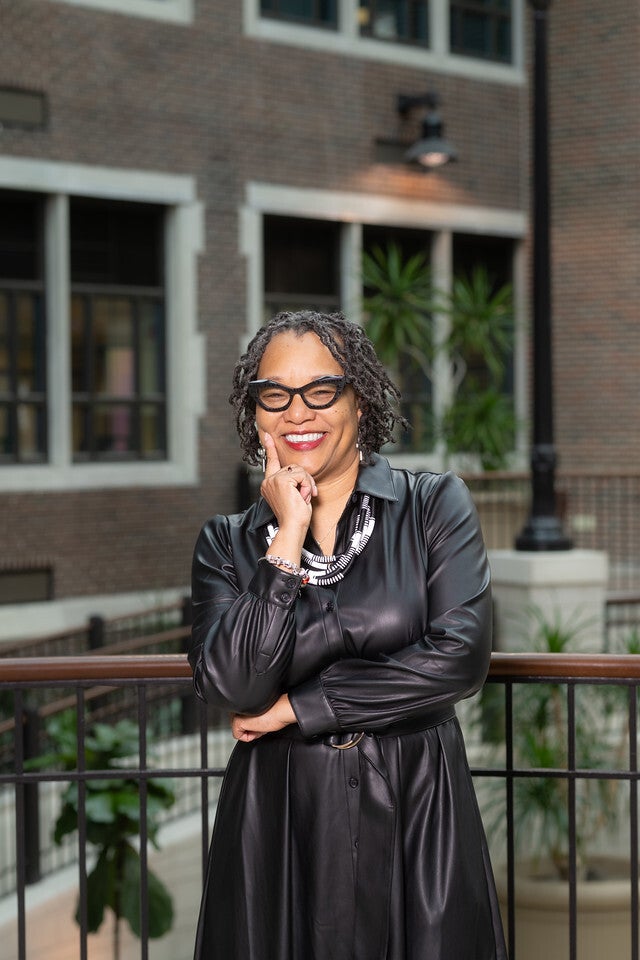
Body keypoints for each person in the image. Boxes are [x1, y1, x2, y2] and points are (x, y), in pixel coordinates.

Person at [189, 309, 507, 960]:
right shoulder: (227, 543)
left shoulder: (433, 507)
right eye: (274, 394)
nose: (297, 412)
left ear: (360, 401)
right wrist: (287, 538)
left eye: (321, 390)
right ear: (256, 415)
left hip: (420, 808)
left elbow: (460, 658)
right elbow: (232, 682)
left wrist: (298, 705)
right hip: (279, 820)